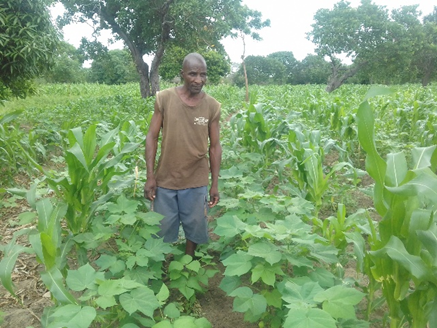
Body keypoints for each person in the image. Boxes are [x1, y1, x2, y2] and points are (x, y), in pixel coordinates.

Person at [144, 53, 222, 257]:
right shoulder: (165, 99)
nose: (199, 80)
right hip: (165, 178)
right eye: (193, 74)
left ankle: (188, 262)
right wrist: (150, 176)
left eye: (203, 75)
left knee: (195, 224)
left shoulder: (212, 106)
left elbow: (215, 147)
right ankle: (159, 265)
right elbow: (151, 137)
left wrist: (214, 183)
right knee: (161, 227)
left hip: (196, 178)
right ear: (183, 74)